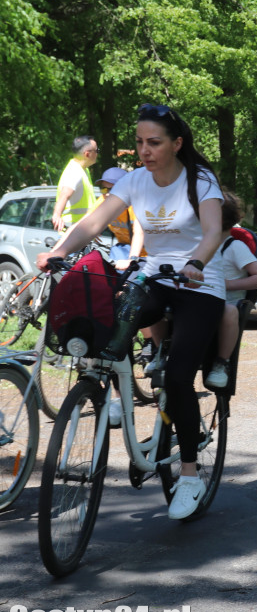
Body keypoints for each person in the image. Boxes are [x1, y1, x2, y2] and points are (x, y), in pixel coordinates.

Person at [36, 103, 228, 520]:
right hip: (155, 278)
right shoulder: (136, 181)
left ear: (177, 144)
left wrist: (196, 263)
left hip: (198, 283)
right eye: (139, 142)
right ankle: (108, 391)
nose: (145, 150)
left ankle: (191, 475)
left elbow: (213, 232)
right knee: (107, 323)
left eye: (154, 142)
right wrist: (59, 251)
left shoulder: (200, 179)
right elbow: (93, 221)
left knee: (179, 376)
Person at [205, 193, 257, 389]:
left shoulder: (235, 247)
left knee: (229, 311)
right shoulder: (196, 244)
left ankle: (221, 363)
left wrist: (226, 284)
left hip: (226, 302)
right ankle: (159, 350)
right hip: (200, 300)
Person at [51, 136, 100, 231]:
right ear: (87, 154)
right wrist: (56, 215)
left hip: (80, 231)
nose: (98, 153)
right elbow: (65, 194)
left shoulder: (82, 170)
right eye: (97, 150)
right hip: (72, 233)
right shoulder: (75, 171)